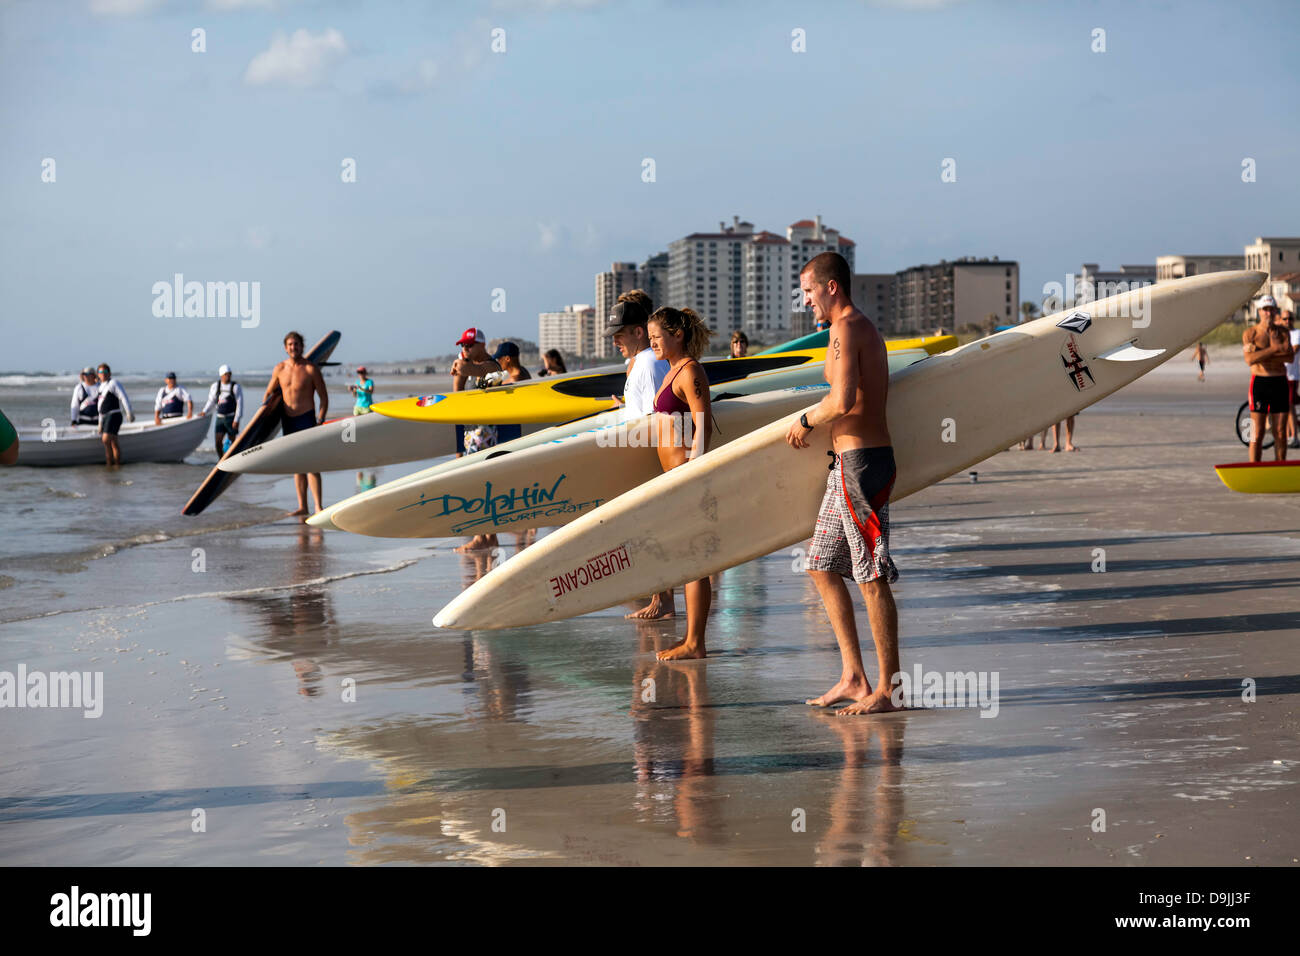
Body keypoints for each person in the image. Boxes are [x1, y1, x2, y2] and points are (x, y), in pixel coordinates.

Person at [786, 251, 901, 716]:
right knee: (819, 564)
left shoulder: (849, 327)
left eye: (810, 291)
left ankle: (888, 692)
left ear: (831, 287)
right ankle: (854, 677)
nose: (806, 300)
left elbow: (844, 398)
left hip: (863, 467)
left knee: (871, 575)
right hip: (845, 466)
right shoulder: (847, 329)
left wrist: (806, 419)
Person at [646, 306, 714, 661]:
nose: (653, 342)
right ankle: (691, 640)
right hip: (674, 479)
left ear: (678, 335)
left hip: (688, 476)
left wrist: (693, 470)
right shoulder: (671, 371)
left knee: (695, 559)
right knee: (686, 557)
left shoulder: (690, 371)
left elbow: (704, 425)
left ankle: (694, 642)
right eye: (651, 337)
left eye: (657, 337)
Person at [604, 292, 673, 619]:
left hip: (650, 458)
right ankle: (661, 599)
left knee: (652, 530)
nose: (614, 340)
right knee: (649, 530)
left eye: (620, 333)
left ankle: (663, 601)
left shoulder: (647, 364)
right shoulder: (645, 362)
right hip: (645, 455)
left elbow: (659, 417)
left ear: (639, 331)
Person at [450, 328, 503, 550]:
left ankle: (483, 538)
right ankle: (487, 537)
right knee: (477, 486)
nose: (465, 348)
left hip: (487, 433)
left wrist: (463, 366)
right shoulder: (469, 369)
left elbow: (490, 375)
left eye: (469, 345)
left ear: (482, 345)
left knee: (483, 486)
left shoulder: (493, 366)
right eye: (463, 345)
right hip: (471, 433)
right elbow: (457, 397)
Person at [266, 331, 328, 515]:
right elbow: (269, 394)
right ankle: (303, 506)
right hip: (288, 421)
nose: (294, 347)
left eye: (297, 344)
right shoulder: (279, 369)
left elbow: (324, 399)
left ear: (302, 346)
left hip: (306, 419)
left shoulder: (310, 369)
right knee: (296, 465)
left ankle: (318, 506)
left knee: (311, 464)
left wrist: (320, 421)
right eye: (290, 344)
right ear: (286, 348)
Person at [1243, 295, 1294, 462]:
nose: (1268, 313)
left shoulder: (1284, 332)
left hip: (1280, 382)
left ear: (1275, 311)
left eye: (1271, 309)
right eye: (1265, 309)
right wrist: (1274, 349)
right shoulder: (1250, 333)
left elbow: (1289, 357)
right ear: (1259, 312)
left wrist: (1261, 354)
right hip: (1260, 382)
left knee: (1280, 431)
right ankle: (1254, 467)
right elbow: (1250, 360)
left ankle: (1280, 466)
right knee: (1257, 432)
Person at [490, 342, 531, 444]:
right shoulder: (523, 371)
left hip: (508, 425)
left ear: (507, 359)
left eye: (499, 359)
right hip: (514, 423)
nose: (497, 362)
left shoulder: (515, 379)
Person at [95, 363, 134, 466]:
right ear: (98, 374)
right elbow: (100, 406)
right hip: (105, 416)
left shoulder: (113, 383)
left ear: (109, 373)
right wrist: (100, 423)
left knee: (105, 439)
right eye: (100, 372)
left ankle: (111, 464)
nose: (103, 374)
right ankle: (114, 465)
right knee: (113, 442)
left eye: (105, 372)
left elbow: (123, 397)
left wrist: (129, 413)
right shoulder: (100, 387)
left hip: (114, 415)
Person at [202, 364, 244, 456]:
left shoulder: (235, 387)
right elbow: (211, 401)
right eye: (226, 374)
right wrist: (204, 411)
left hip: (231, 418)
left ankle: (232, 459)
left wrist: (236, 420)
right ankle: (221, 459)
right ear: (221, 375)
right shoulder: (215, 386)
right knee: (218, 441)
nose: (228, 376)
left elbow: (239, 404)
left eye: (229, 374)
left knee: (233, 442)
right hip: (220, 418)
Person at [1282, 311, 1299, 448]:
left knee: (1289, 405)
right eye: (1285, 319)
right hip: (1279, 374)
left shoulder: (1296, 334)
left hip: (1291, 376)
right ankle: (1288, 434)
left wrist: (1275, 355)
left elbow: (1294, 350)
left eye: (1290, 319)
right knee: (1285, 406)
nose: (1288, 321)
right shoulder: (1280, 334)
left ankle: (1294, 437)